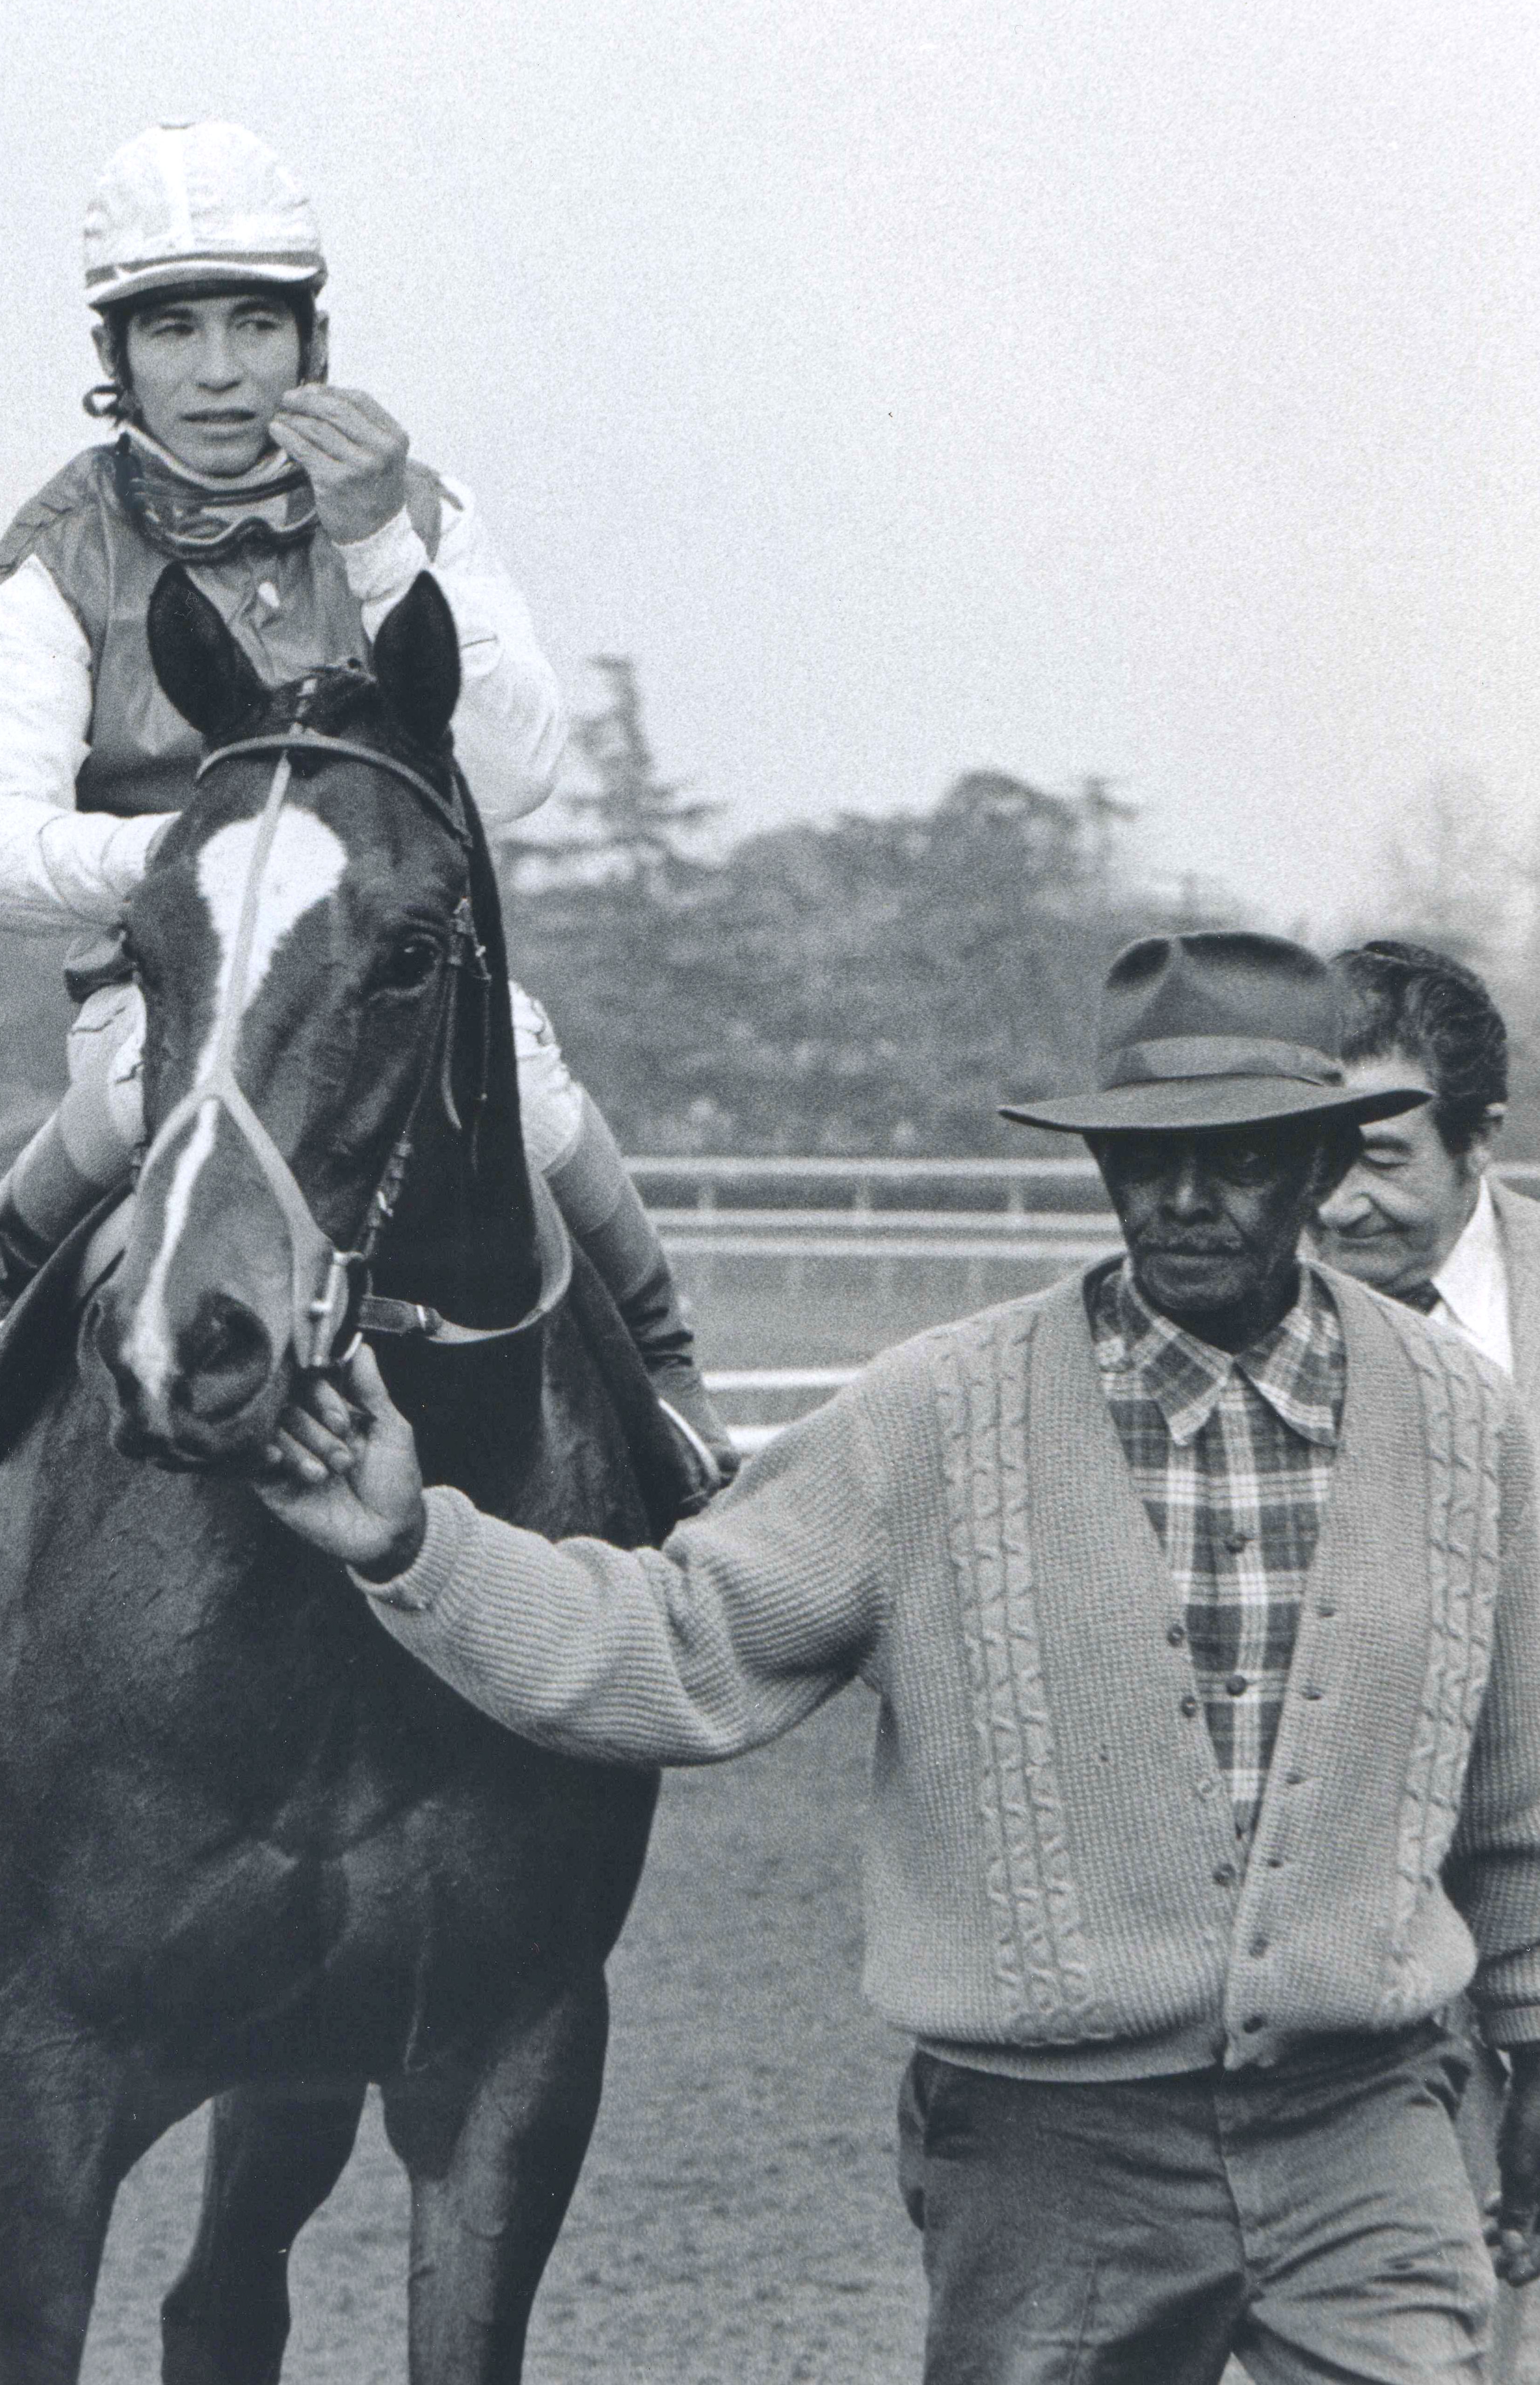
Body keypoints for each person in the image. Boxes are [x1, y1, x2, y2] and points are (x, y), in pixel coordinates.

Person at [256, 929, 1540, 2385]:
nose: (1184, 1197)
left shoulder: (1464, 1421)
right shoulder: (934, 1416)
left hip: (1368, 2127)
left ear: (1317, 1164)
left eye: (1238, 1155)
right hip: (1053, 2157)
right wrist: (406, 1543)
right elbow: (679, 1640)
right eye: (1144, 1156)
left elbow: (1512, 1787)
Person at [0, 120, 735, 1502]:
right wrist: (230, 871)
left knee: (537, 1101)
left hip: (395, 984)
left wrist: (381, 538)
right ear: (118, 360)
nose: (218, 372)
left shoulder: (422, 514)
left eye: (256, 326)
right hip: (176, 985)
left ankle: (669, 1381)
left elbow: (516, 774)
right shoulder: (46, 563)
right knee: (125, 1087)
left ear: (311, 344)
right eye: (176, 330)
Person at [1315, 938, 1540, 2383]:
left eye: (1383, 1153)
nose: (1335, 1197)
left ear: (1480, 1140)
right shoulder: (1226, 1309)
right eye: (1310, 1148)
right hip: (1347, 1932)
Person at [1319, 939, 1540, 1420]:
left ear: (1478, 1138)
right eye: (1313, 1161)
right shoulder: (1236, 1293)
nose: (1333, 1208)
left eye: (1380, 1158)